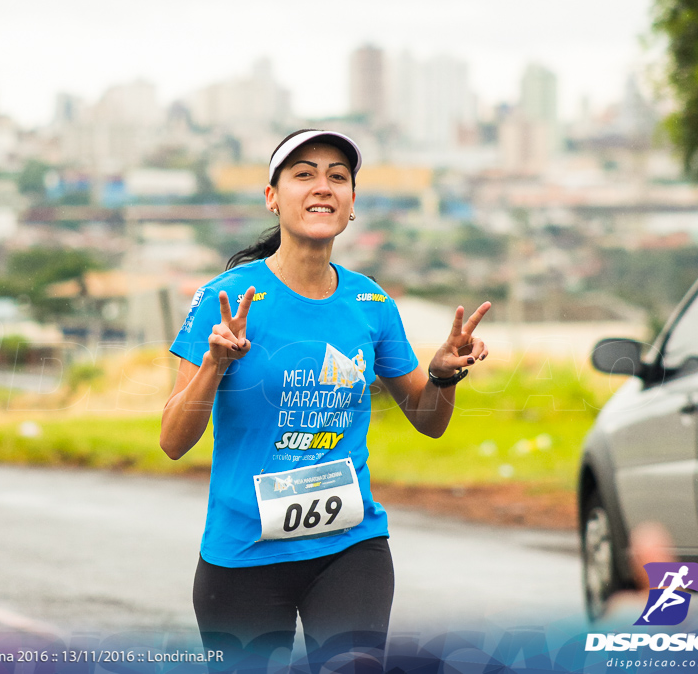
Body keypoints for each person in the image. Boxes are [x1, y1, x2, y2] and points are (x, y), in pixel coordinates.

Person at [160, 130, 490, 670]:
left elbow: (429, 421)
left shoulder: (370, 301)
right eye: (304, 173)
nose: (323, 186)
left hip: (349, 547)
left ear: (353, 203)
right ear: (273, 196)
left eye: (338, 176)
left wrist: (443, 374)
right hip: (243, 552)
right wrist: (216, 364)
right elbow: (173, 441)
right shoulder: (227, 299)